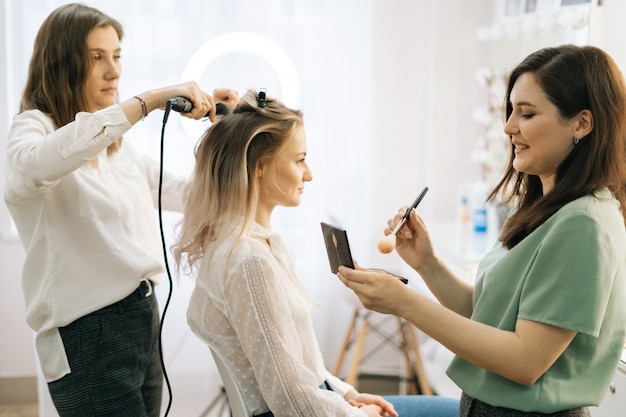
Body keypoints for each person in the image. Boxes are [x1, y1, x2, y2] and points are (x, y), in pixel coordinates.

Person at [338, 44, 626, 417]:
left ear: (582, 123)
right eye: (510, 111)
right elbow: (489, 314)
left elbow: (525, 360)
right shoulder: (546, 206)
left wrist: (404, 303)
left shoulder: (584, 224)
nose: (509, 127)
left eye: (527, 113)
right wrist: (428, 265)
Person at [3, 3, 237, 416]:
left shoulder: (117, 148)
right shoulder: (32, 128)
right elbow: (42, 163)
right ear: (60, 63)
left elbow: (188, 196)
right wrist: (148, 101)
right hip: (87, 332)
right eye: (96, 58)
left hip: (140, 315)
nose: (113, 71)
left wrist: (224, 134)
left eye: (117, 56)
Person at [173, 90, 460, 417]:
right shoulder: (249, 261)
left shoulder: (259, 245)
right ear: (260, 167)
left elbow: (301, 371)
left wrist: (348, 393)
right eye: (299, 160)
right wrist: (359, 415)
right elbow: (290, 400)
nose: (309, 173)